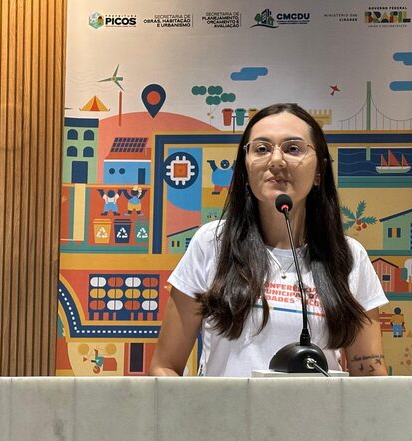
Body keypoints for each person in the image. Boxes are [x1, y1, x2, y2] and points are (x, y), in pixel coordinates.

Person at [149, 103, 388, 377]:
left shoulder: (348, 256)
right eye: (262, 149)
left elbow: (369, 374)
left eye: (293, 148)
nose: (276, 160)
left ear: (319, 171)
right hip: (226, 407)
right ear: (245, 167)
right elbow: (164, 366)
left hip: (318, 407)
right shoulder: (212, 243)